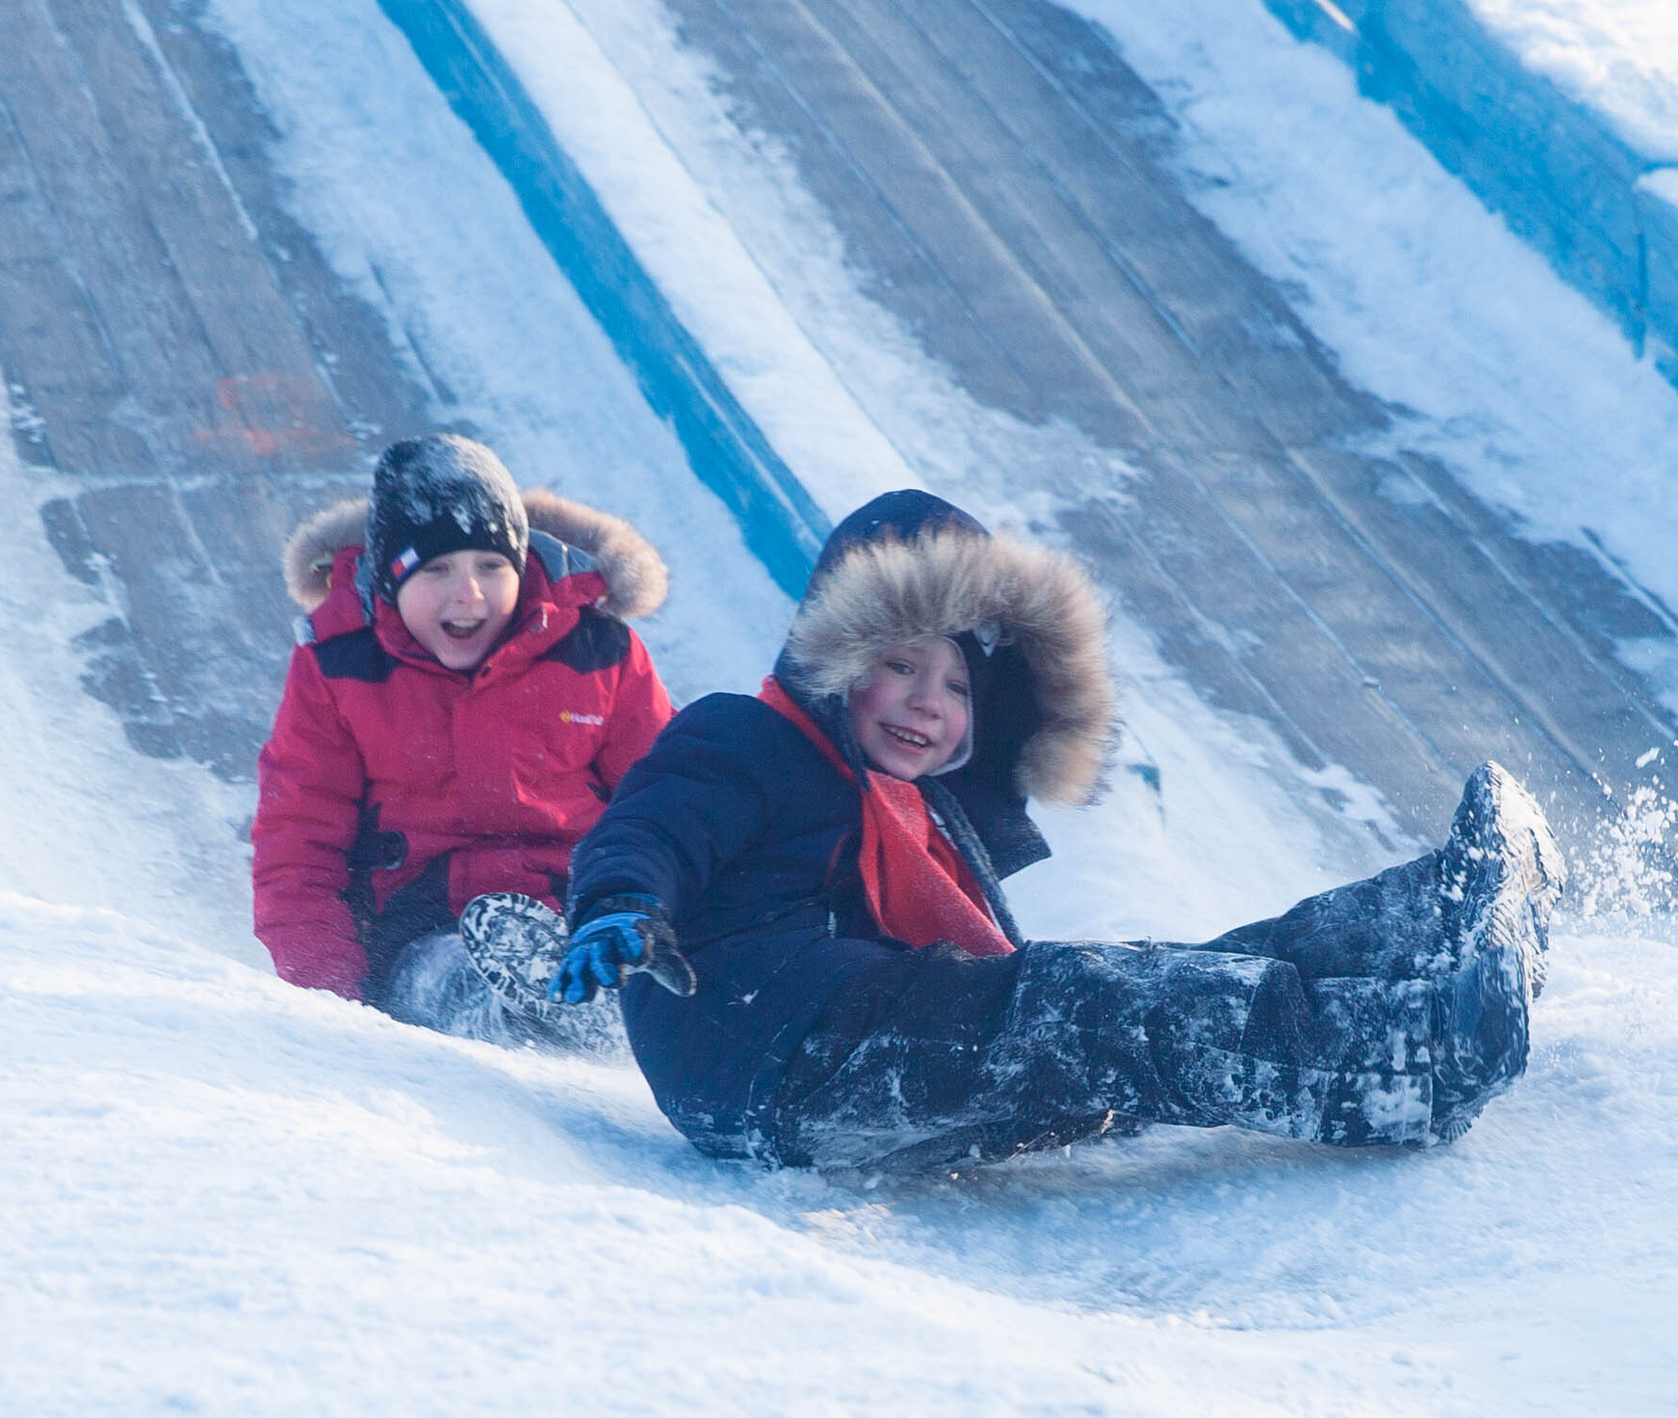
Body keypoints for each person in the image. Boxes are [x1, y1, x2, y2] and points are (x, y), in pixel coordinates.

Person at [548, 489, 1564, 1174]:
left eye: (954, 684)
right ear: (837, 648)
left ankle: (1413, 928)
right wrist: (623, 908)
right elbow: (652, 826)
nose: (923, 701)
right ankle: (1399, 1076)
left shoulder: (926, 814)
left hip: (841, 1049)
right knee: (1090, 1004)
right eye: (899, 664)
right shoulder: (747, 735)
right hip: (765, 1043)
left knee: (1140, 985)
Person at [252, 433, 674, 1041]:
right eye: (437, 570)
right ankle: (529, 1018)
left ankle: (602, 1009)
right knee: (449, 980)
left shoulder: (595, 650)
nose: (468, 593)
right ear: (391, 581)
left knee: (626, 971)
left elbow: (663, 802)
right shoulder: (342, 663)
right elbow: (298, 840)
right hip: (419, 927)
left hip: (578, 908)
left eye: (491, 567)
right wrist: (329, 996)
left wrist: (647, 907)